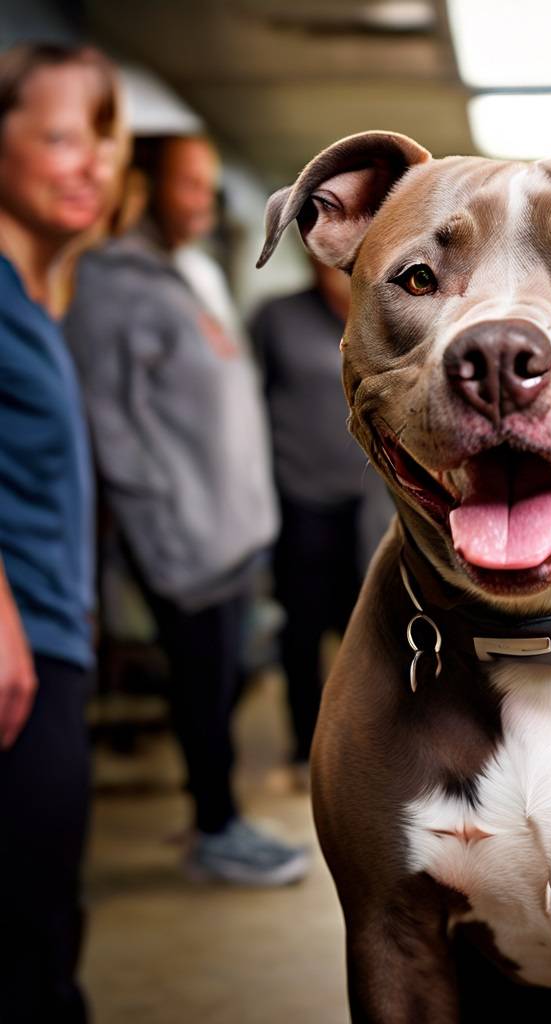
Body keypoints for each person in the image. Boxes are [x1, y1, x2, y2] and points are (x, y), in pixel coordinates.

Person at [64, 134, 309, 886]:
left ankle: (220, 815)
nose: (204, 201)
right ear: (141, 185)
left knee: (226, 678)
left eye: (209, 186)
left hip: (232, 527)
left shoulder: (188, 272)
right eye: (189, 185)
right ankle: (214, 829)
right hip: (185, 537)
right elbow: (108, 423)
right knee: (204, 684)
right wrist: (162, 531)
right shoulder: (108, 285)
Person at [0, 42, 123, 1022]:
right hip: (15, 647)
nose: (94, 164)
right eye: (59, 139)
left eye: (105, 142)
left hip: (52, 642)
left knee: (44, 917)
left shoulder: (39, 295)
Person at [251, 256, 371, 788]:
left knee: (364, 627)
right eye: (331, 270)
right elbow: (247, 404)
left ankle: (363, 744)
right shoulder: (277, 317)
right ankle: (304, 749)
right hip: (298, 500)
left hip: (372, 502)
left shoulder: (379, 318)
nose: (339, 282)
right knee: (300, 632)